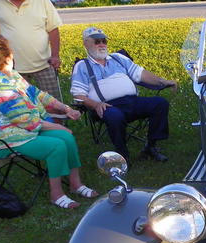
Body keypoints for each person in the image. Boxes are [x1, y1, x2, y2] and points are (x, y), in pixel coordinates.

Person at [0, 34, 97, 209]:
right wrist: (57, 125)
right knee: (56, 145)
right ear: (7, 57)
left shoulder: (11, 75)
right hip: (9, 137)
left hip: (28, 130)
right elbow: (25, 121)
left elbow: (38, 94)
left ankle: (75, 184)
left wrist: (65, 108)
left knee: (67, 138)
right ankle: (56, 194)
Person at [71, 27, 177, 162]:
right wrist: (96, 104)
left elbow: (141, 74)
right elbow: (78, 95)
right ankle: (122, 155)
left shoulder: (118, 58)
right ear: (86, 44)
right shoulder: (82, 66)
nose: (102, 44)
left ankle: (150, 146)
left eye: (104, 41)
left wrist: (163, 81)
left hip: (132, 101)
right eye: (97, 41)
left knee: (160, 103)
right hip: (107, 106)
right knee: (114, 116)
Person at [0, 0, 64, 102]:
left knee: (55, 104)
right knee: (20, 107)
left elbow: (53, 29)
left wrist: (55, 55)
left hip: (44, 64)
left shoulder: (43, 2)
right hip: (11, 68)